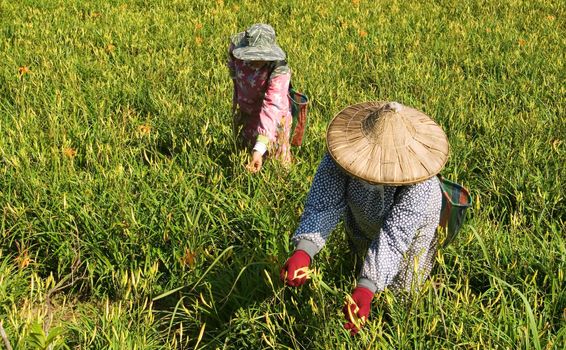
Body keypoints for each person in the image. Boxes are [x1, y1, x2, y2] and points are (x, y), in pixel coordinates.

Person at [280, 101, 450, 335]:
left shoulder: (421, 187)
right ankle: (366, 280)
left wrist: (366, 288)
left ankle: (393, 325)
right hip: (361, 217)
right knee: (359, 253)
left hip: (412, 235)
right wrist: (304, 251)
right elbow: (324, 204)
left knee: (403, 288)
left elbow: (394, 238)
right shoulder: (341, 158)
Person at [227, 23, 292, 173]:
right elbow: (234, 73)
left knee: (277, 161)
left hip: (275, 118)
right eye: (252, 56)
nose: (256, 61)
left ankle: (280, 187)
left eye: (262, 57)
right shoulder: (235, 49)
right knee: (245, 155)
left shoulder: (279, 68)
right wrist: (237, 103)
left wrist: (260, 146)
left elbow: (272, 105)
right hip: (248, 112)